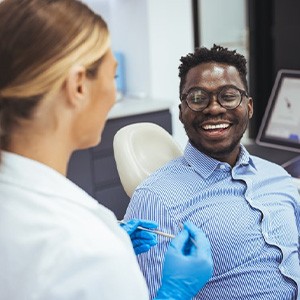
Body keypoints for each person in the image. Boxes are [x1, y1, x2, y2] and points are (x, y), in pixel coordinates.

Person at [0, 1, 213, 299]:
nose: (114, 95)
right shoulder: (90, 248)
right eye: (112, 77)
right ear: (77, 86)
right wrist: (175, 292)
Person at [124, 45, 300, 299]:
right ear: (182, 112)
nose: (214, 108)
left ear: (248, 107)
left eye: (228, 96)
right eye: (197, 98)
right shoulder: (156, 199)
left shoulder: (277, 177)